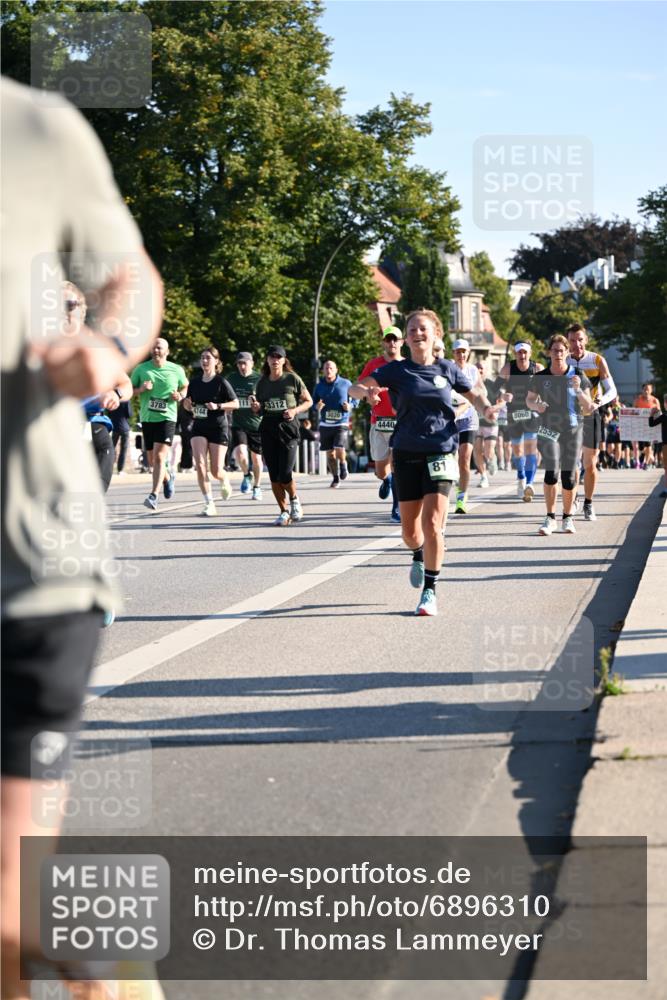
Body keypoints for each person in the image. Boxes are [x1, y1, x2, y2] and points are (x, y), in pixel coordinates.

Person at [1, 77, 163, 1000]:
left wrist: (103, 346)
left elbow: (128, 278)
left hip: (27, 559)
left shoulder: (33, 127)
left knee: (5, 907)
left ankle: (88, 961)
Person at [350, 310, 499, 616]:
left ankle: (430, 591)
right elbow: (356, 387)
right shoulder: (397, 370)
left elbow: (474, 394)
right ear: (406, 338)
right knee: (410, 533)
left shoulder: (447, 369)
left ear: (435, 335)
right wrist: (367, 393)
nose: (418, 333)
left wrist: (487, 409)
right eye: (412, 330)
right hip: (406, 453)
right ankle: (417, 553)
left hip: (441, 452)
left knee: (433, 524)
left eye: (423, 329)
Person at [526, 334, 595, 536]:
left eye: (562, 350)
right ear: (549, 352)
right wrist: (537, 406)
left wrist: (579, 391)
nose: (558, 354)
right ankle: (550, 518)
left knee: (568, 476)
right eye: (555, 350)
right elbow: (529, 400)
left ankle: (567, 517)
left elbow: (589, 407)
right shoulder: (540, 377)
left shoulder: (577, 375)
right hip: (548, 429)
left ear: (567, 353)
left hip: (572, 429)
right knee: (551, 471)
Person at [250, 345, 312, 525]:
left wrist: (294, 411)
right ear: (267, 360)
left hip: (288, 429)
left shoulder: (292, 378)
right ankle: (284, 511)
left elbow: (308, 401)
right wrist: (257, 408)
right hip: (268, 428)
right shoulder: (262, 382)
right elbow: (260, 409)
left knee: (285, 473)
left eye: (279, 357)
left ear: (284, 360)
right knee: (274, 475)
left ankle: (294, 500)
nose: (275, 360)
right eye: (272, 356)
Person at [130, 337, 188, 511]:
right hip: (148, 419)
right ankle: (168, 477)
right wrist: (141, 389)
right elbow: (129, 390)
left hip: (167, 418)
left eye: (160, 348)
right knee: (151, 461)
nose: (156, 350)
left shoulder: (176, 369)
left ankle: (153, 495)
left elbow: (185, 386)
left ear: (167, 351)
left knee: (160, 458)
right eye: (154, 348)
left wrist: (180, 395)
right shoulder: (141, 369)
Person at [566, 323, 617, 520]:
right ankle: (573, 498)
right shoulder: (564, 360)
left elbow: (612, 390)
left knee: (590, 463)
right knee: (571, 463)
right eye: (572, 340)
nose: (576, 344)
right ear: (567, 342)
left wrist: (598, 402)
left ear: (586, 340)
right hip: (569, 417)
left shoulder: (597, 360)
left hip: (590, 415)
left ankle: (588, 503)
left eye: (580, 339)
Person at [183, 346, 239, 516]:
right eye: (202, 358)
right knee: (200, 465)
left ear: (216, 361)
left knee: (216, 471)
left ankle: (224, 478)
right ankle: (209, 503)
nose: (205, 360)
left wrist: (218, 406)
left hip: (218, 428)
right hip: (199, 427)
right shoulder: (194, 383)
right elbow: (188, 405)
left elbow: (235, 404)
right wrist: (187, 405)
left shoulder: (221, 382)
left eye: (208, 357)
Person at [358, 326, 405, 522]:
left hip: (400, 423)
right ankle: (386, 481)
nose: (391, 343)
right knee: (381, 471)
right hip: (378, 423)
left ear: (401, 342)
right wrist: (367, 395)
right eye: (388, 339)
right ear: (383, 342)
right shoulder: (374, 365)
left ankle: (397, 507)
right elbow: (359, 385)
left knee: (397, 465)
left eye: (395, 339)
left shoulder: (407, 365)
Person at [495, 342, 544, 501]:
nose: (522, 356)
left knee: (530, 448)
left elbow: (549, 388)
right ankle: (521, 477)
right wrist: (502, 395)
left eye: (525, 352)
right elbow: (494, 388)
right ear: (515, 354)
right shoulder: (508, 368)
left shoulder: (537, 368)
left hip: (532, 412)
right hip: (514, 413)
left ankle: (529, 483)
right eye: (519, 353)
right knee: (517, 450)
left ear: (530, 353)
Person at [450, 339, 483, 514]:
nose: (461, 355)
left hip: (468, 418)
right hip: (450, 418)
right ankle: (456, 481)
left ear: (468, 353)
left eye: (464, 351)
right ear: (453, 353)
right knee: (451, 457)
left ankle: (461, 497)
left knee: (465, 457)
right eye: (458, 352)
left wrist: (485, 402)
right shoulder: (448, 369)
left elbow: (480, 389)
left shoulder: (473, 370)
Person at [312, 359, 356, 488]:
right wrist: (316, 406)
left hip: (341, 422)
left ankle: (343, 463)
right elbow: (313, 403)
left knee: (339, 447)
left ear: (336, 370)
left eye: (331, 368)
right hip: (325, 423)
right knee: (330, 454)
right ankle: (335, 478)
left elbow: (356, 398)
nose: (328, 370)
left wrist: (350, 405)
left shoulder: (346, 383)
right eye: (326, 368)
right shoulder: (319, 386)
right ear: (323, 370)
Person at [227, 351, 264, 500]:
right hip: (238, 423)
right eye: (239, 364)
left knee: (256, 458)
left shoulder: (260, 379)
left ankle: (257, 487)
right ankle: (247, 475)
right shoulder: (231, 378)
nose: (242, 366)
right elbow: (224, 395)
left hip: (256, 424)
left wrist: (257, 402)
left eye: (245, 363)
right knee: (241, 453)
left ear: (252, 364)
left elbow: (266, 399)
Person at [473, 356, 502, 487]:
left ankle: (492, 457)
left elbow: (502, 402)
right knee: (477, 450)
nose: (479, 370)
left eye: (481, 368)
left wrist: (494, 409)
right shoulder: (470, 385)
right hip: (476, 422)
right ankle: (483, 477)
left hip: (490, 422)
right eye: (477, 368)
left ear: (486, 370)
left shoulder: (493, 385)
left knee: (488, 451)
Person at [632, 381, 662, 470]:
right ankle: (648, 456)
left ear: (651, 390)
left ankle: (646, 463)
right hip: (640, 427)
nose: (646, 391)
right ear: (642, 390)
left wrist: (656, 412)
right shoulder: (638, 400)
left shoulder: (655, 400)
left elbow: (659, 413)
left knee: (648, 445)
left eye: (648, 389)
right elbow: (633, 411)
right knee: (641, 447)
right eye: (644, 389)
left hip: (650, 426)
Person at [648, 394, 667, 496]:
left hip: (666, 445)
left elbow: (651, 424)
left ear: (665, 403)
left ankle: (666, 490)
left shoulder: (664, 416)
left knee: (666, 468)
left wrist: (651, 414)